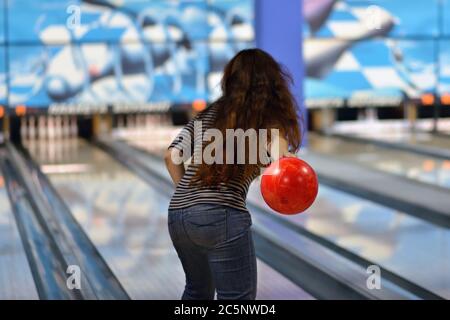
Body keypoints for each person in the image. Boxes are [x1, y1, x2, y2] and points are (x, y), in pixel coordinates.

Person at [164, 48, 302, 300]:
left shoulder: (210, 112)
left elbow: (172, 156)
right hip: (223, 216)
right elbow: (281, 164)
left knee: (197, 293)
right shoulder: (269, 120)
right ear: (272, 83)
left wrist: (190, 201)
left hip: (179, 215)